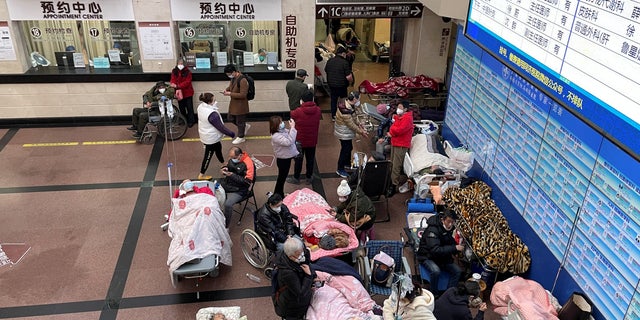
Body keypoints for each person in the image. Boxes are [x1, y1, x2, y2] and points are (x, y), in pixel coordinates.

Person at [417, 209, 463, 293]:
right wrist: (454, 248)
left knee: (458, 271)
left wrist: (456, 250)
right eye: (449, 222)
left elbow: (448, 239)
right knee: (435, 271)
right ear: (442, 219)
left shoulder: (448, 228)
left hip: (441, 256)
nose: (450, 224)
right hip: (427, 256)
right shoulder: (432, 230)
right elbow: (435, 250)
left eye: (453, 222)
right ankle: (434, 293)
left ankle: (449, 293)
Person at [272, 237, 315, 320]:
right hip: (291, 306)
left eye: (302, 252)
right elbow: (300, 293)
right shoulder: (287, 273)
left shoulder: (301, 252)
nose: (302, 256)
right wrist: (309, 276)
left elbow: (307, 263)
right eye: (299, 255)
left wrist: (314, 276)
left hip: (295, 300)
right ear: (290, 257)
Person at [196, 92, 236, 180]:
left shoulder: (201, 107)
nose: (216, 101)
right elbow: (221, 127)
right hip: (210, 138)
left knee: (218, 147)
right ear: (209, 102)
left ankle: (223, 162)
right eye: (214, 100)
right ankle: (201, 175)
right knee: (208, 156)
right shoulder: (212, 114)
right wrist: (231, 134)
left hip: (206, 134)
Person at [380, 100, 414, 196]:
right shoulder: (400, 117)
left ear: (406, 109)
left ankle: (393, 186)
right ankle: (391, 181)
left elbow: (399, 130)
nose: (398, 109)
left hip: (401, 145)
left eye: (400, 108)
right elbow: (394, 128)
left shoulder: (407, 119)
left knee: (396, 165)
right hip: (396, 142)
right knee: (392, 162)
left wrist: (392, 132)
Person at [288, 90, 321, 185]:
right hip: (312, 140)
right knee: (310, 159)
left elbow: (292, 115)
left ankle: (296, 177)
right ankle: (309, 177)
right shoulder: (318, 110)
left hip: (300, 140)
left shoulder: (297, 112)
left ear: (302, 100)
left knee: (298, 159)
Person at [334, 91, 368, 178]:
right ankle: (340, 169)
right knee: (346, 149)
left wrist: (359, 124)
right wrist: (361, 132)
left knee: (348, 148)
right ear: (355, 99)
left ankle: (347, 164)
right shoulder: (344, 110)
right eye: (359, 99)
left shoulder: (349, 105)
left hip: (345, 131)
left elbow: (353, 117)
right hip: (343, 132)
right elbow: (351, 124)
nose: (359, 101)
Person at [219, 146, 255, 228]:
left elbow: (247, 182)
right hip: (228, 184)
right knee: (213, 192)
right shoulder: (232, 158)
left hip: (240, 189)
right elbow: (227, 165)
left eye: (233, 157)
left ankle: (226, 226)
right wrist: (223, 169)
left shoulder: (249, 164)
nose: (231, 159)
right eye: (230, 157)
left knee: (228, 204)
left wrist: (232, 175)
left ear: (240, 156)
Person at [270, 115, 299, 197]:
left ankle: (279, 194)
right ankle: (278, 194)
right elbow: (289, 142)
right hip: (283, 160)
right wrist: (293, 128)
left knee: (282, 178)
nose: (282, 123)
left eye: (282, 121)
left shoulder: (281, 130)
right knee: (281, 178)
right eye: (280, 122)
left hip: (286, 157)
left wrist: (291, 128)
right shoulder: (276, 136)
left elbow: (289, 133)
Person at [223, 64, 251, 144]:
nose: (229, 76)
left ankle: (241, 137)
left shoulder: (242, 80)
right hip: (234, 104)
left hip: (241, 105)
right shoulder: (234, 78)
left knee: (240, 121)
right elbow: (230, 87)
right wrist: (226, 90)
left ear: (234, 72)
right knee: (230, 118)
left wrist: (230, 94)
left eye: (229, 74)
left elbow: (243, 95)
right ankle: (245, 126)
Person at [324, 45, 353, 120]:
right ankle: (341, 115)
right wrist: (351, 82)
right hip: (342, 85)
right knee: (343, 100)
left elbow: (326, 70)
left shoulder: (330, 61)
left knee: (333, 100)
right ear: (343, 54)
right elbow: (348, 77)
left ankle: (334, 116)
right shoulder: (345, 62)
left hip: (331, 85)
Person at [170, 57, 196, 127]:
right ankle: (184, 120)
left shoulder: (188, 72)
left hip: (187, 92)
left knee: (189, 107)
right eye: (179, 63)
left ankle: (191, 121)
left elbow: (187, 82)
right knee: (181, 108)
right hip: (179, 93)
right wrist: (173, 84)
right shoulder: (174, 71)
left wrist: (177, 86)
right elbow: (173, 79)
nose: (180, 65)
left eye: (181, 63)